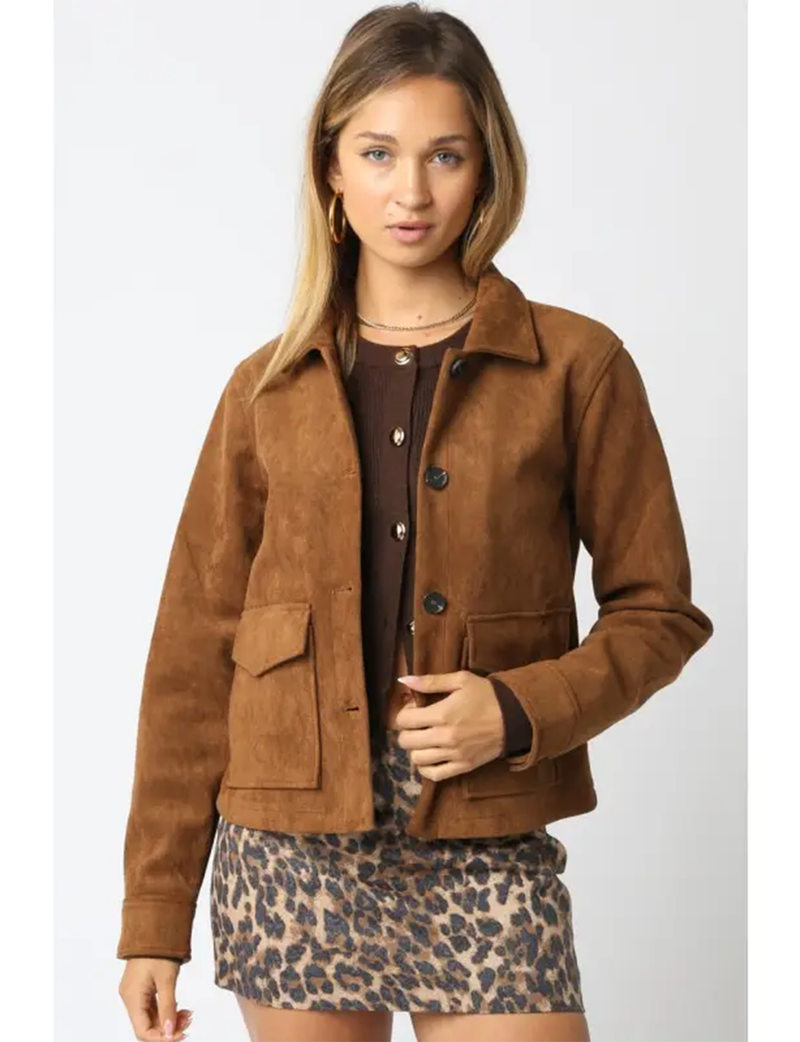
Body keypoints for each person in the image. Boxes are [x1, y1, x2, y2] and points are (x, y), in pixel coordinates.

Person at [116, 4, 714, 1041]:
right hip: (288, 848)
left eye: (445, 154)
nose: (411, 191)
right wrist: (152, 918)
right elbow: (190, 657)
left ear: (486, 170)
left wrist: (517, 708)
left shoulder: (575, 367)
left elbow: (659, 612)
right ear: (331, 169)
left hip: (483, 829)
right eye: (378, 152)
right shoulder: (263, 389)